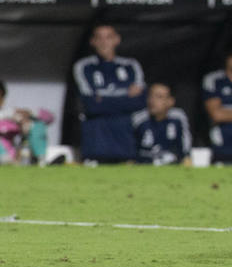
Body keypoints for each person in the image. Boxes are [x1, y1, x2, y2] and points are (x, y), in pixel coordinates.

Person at [73, 25, 146, 163]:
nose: (104, 42)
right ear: (92, 42)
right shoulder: (84, 66)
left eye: (108, 37)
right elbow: (91, 105)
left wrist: (103, 99)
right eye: (99, 38)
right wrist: (125, 97)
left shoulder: (130, 65)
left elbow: (139, 102)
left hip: (126, 141)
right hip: (96, 142)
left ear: (117, 40)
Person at [132, 83, 192, 165]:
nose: (153, 101)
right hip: (144, 166)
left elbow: (185, 145)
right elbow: (131, 149)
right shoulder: (138, 119)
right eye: (151, 96)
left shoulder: (178, 117)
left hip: (172, 167)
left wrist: (186, 156)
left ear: (170, 101)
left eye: (159, 97)